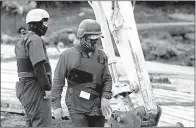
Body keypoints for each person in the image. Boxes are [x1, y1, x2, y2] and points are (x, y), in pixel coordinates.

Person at [51, 19, 113, 127]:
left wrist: (105, 97)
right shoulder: (67, 55)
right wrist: (56, 106)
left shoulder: (102, 56)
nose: (94, 42)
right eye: (91, 39)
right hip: (76, 105)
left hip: (97, 105)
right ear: (82, 37)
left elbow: (107, 79)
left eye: (97, 39)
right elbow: (58, 81)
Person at [15, 9, 52, 127]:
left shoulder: (22, 39)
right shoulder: (35, 39)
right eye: (44, 23)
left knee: (31, 121)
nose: (46, 26)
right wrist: (46, 87)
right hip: (35, 87)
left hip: (24, 87)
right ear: (36, 23)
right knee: (42, 122)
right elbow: (38, 66)